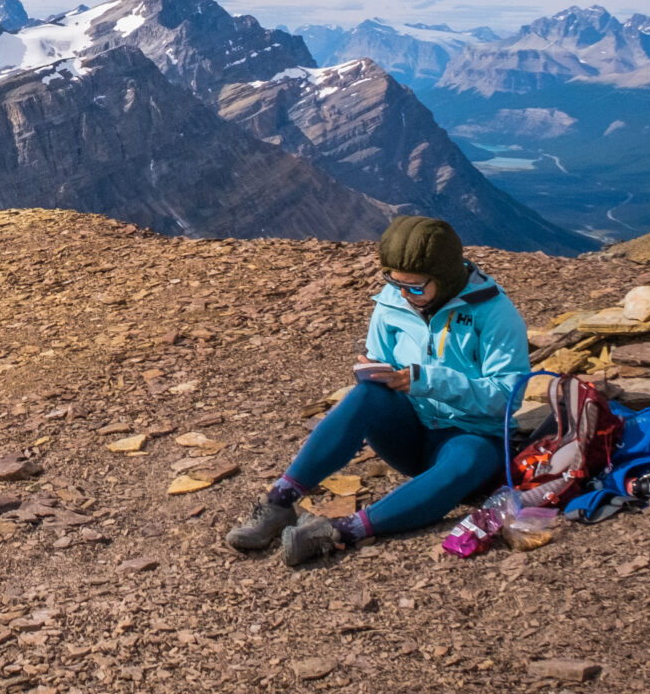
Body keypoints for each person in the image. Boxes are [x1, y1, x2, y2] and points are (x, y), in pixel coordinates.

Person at [226, 216, 531, 566]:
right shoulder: (393, 301)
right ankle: (278, 503)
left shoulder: (493, 314)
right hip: (413, 433)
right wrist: (373, 369)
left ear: (445, 278)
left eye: (415, 287)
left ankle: (341, 531)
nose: (403, 294)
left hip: (472, 436)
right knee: (365, 397)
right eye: (394, 282)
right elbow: (381, 361)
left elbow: (507, 397)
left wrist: (425, 380)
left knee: (469, 460)